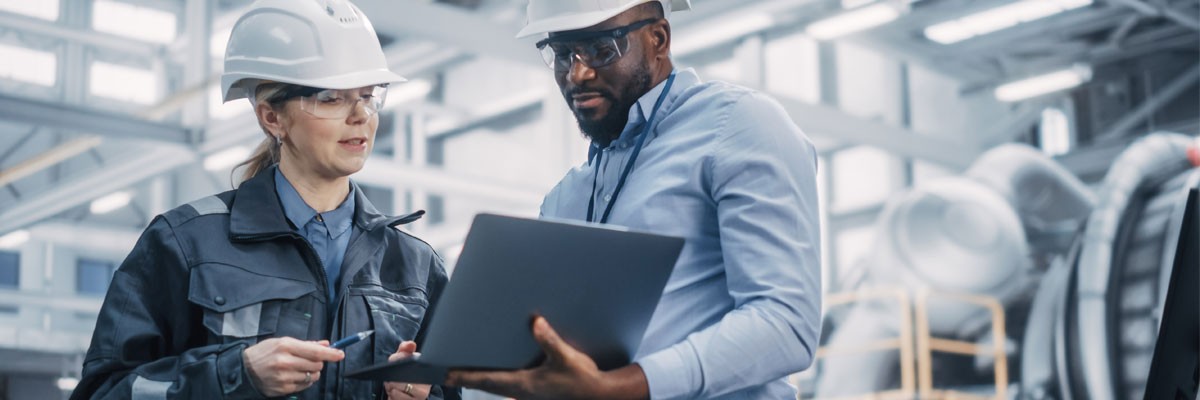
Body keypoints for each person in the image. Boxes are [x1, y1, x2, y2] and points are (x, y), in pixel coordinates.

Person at [70, 1, 456, 399]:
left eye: (369, 95)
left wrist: (422, 395)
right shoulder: (185, 244)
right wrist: (236, 373)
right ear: (272, 118)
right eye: (331, 98)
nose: (361, 115)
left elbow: (453, 390)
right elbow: (104, 392)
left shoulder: (415, 267)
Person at [445, 0, 822, 398]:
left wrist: (621, 388)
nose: (578, 74)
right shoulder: (565, 198)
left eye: (600, 49)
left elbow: (787, 323)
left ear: (658, 38)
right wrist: (444, 383)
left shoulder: (738, 126)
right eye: (561, 53)